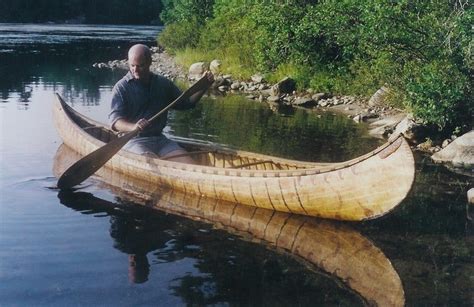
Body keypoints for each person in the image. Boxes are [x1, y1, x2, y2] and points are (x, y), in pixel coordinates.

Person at [109, 44, 214, 163]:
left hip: (160, 140)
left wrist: (204, 86)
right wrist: (134, 127)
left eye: (140, 66)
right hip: (132, 141)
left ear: (149, 62)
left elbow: (187, 103)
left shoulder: (163, 84)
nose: (135, 70)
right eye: (132, 65)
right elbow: (115, 122)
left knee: (189, 164)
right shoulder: (121, 87)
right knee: (153, 163)